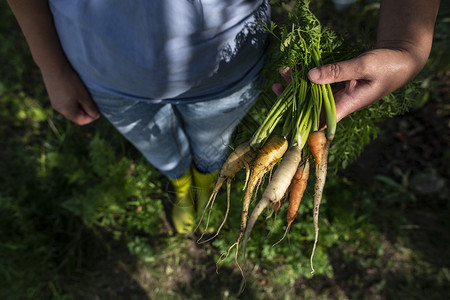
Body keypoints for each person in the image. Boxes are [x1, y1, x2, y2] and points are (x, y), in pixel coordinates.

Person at [7, 0, 440, 234]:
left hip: (225, 75)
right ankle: (182, 184)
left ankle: (209, 179)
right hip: (106, 74)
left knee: (214, 146)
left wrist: (408, 39)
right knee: (159, 148)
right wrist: (52, 66)